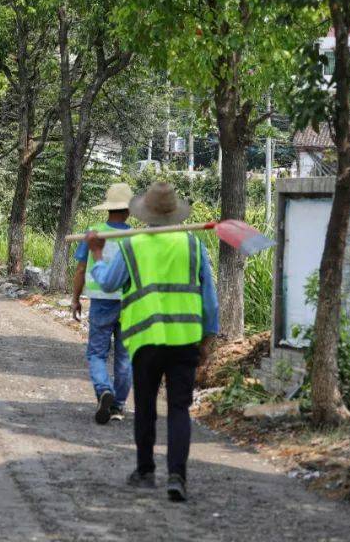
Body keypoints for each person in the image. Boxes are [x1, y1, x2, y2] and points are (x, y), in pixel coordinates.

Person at [86, 182, 218, 503]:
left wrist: (98, 253)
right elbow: (209, 300)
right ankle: (177, 476)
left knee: (145, 407)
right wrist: (208, 338)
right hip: (185, 340)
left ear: (144, 214)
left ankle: (145, 471)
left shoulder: (133, 246)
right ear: (175, 214)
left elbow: (106, 282)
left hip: (145, 342)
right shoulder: (192, 245)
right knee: (178, 409)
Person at [71, 183, 134, 425]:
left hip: (100, 303)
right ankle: (117, 406)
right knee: (124, 356)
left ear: (107, 209)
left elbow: (80, 269)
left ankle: (103, 390)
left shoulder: (93, 233)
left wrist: (75, 299)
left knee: (97, 353)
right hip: (128, 303)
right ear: (128, 211)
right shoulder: (135, 237)